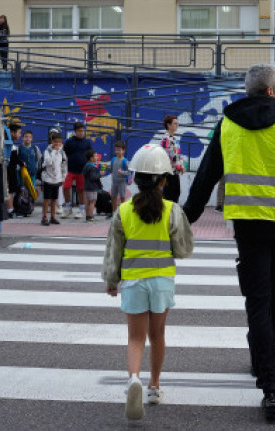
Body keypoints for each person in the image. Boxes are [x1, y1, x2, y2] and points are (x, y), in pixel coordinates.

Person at [183, 63, 275, 422]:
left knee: (258, 302)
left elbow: (205, 176)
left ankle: (261, 360)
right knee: (272, 302)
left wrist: (183, 220)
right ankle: (271, 385)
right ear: (269, 91)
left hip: (248, 230)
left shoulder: (228, 124)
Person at [102, 143, 194, 421]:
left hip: (132, 282)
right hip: (162, 281)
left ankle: (133, 380)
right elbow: (183, 250)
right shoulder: (172, 210)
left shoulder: (124, 212)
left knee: (135, 338)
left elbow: (113, 251)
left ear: (135, 179)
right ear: (164, 181)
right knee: (158, 336)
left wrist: (111, 280)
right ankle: (154, 386)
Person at [63, 122, 93, 219]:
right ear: (75, 132)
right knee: (66, 187)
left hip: (82, 171)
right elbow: (65, 153)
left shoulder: (87, 142)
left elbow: (90, 156)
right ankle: (68, 207)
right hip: (70, 170)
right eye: (79, 131)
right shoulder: (69, 142)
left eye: (83, 131)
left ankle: (81, 209)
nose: (82, 133)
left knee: (81, 190)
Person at [40, 131, 66, 226]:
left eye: (59, 143)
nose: (58, 145)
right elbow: (48, 162)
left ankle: (53, 217)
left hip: (57, 179)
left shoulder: (62, 153)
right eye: (55, 142)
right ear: (52, 142)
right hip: (47, 179)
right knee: (46, 199)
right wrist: (54, 151)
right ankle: (44, 217)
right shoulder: (47, 151)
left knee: (54, 199)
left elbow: (63, 166)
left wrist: (63, 178)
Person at [159, 115, 184, 202]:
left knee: (176, 193)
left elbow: (178, 154)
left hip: (175, 171)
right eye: (174, 123)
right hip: (168, 171)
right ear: (168, 125)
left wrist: (182, 165)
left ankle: (173, 213)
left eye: (177, 124)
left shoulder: (175, 139)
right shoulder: (165, 139)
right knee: (169, 195)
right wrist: (178, 166)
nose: (177, 125)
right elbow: (170, 156)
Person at [6, 122, 22, 218]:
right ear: (12, 133)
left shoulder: (10, 143)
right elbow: (14, 159)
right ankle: (10, 210)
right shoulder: (9, 144)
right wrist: (21, 163)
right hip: (9, 171)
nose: (19, 135)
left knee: (11, 190)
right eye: (19, 133)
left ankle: (10, 209)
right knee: (10, 191)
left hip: (11, 170)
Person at [110, 140, 130, 216]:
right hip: (114, 181)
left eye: (119, 150)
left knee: (122, 197)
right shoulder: (113, 159)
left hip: (122, 182)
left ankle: (123, 213)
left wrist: (122, 172)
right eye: (116, 150)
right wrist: (104, 168)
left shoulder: (125, 161)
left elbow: (128, 172)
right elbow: (111, 169)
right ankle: (114, 212)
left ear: (123, 150)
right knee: (113, 196)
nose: (117, 151)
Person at [82, 149, 104, 222]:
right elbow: (93, 177)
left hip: (86, 187)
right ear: (91, 158)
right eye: (95, 156)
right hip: (92, 188)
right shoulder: (92, 168)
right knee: (92, 202)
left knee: (87, 202)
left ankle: (87, 216)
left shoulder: (86, 166)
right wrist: (100, 174)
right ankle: (91, 217)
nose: (97, 158)